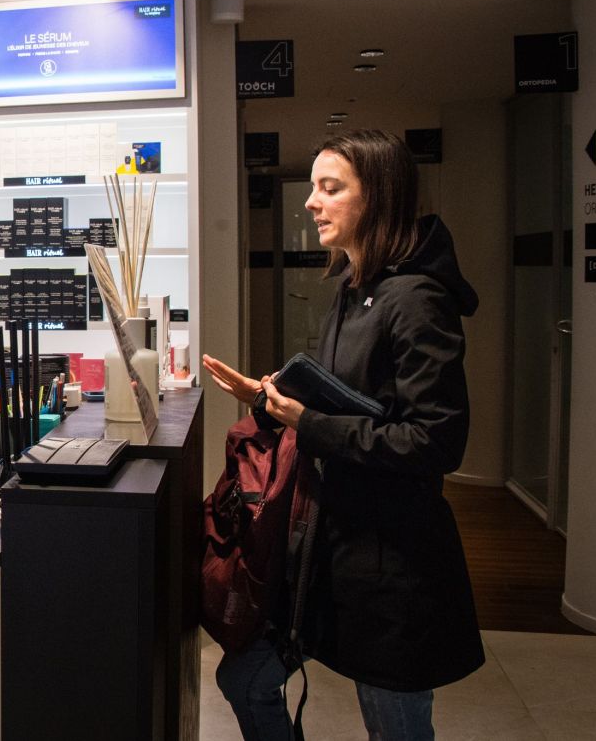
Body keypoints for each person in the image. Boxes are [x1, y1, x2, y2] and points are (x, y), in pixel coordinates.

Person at [202, 129, 484, 741]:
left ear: (376, 198)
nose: (311, 202)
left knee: (396, 729)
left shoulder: (417, 302)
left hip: (391, 566)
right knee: (245, 681)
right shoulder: (353, 289)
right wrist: (270, 400)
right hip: (331, 550)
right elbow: (349, 399)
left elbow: (434, 442)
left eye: (330, 188)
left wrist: (311, 423)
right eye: (313, 187)